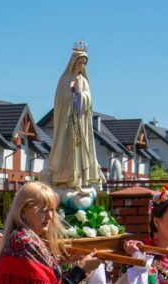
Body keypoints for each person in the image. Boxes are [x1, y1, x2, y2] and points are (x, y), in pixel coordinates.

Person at [40, 41, 105, 210]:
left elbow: (87, 101)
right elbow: (61, 101)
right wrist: (71, 93)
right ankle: (66, 180)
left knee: (81, 153)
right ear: (73, 62)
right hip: (68, 125)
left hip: (81, 125)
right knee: (67, 152)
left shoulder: (84, 81)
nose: (82, 65)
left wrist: (80, 94)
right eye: (80, 62)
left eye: (84, 63)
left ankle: (81, 180)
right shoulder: (65, 79)